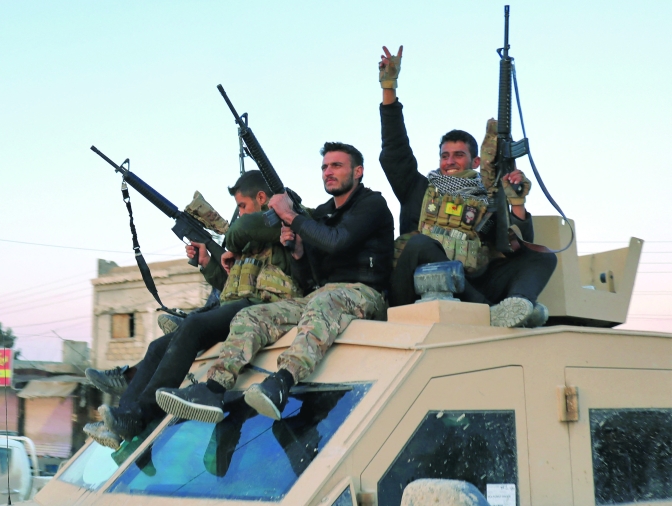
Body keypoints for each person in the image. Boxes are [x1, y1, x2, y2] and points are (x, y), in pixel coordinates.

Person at [158, 142, 392, 422]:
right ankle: (213, 388)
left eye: (337, 166)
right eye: (325, 167)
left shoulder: (371, 204)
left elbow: (337, 242)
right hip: (320, 295)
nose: (328, 172)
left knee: (323, 301)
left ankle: (282, 382)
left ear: (358, 171)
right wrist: (297, 252)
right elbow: (309, 275)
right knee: (251, 315)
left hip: (365, 293)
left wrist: (291, 217)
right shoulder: (322, 213)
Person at [83, 170, 303, 449]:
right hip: (239, 307)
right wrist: (208, 263)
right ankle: (123, 420)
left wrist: (231, 241)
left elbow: (251, 271)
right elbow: (230, 287)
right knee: (158, 347)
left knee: (193, 326)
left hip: (264, 310)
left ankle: (140, 415)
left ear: (262, 198)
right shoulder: (248, 244)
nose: (239, 214)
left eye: (242, 206)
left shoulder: (283, 222)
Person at [377, 45, 556, 326]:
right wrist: (389, 88)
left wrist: (517, 202)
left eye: (458, 155)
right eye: (444, 155)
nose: (450, 161)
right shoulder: (419, 189)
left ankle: (519, 305)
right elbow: (395, 150)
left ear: (474, 161)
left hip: (471, 286)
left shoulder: (487, 196)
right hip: (413, 290)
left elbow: (515, 244)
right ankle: (490, 311)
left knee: (543, 258)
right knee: (421, 243)